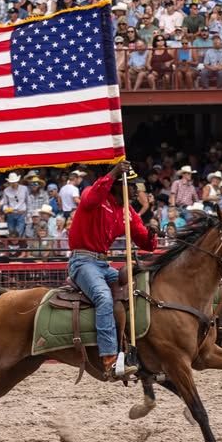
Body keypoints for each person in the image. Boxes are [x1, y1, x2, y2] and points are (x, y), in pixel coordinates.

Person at [67, 161, 157, 380]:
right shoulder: (94, 195)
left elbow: (145, 243)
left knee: (139, 289)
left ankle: (136, 348)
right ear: (119, 185)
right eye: (132, 185)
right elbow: (91, 198)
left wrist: (152, 233)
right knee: (104, 298)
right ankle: (108, 358)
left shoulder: (127, 211)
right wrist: (114, 172)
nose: (137, 191)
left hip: (102, 264)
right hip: (82, 261)